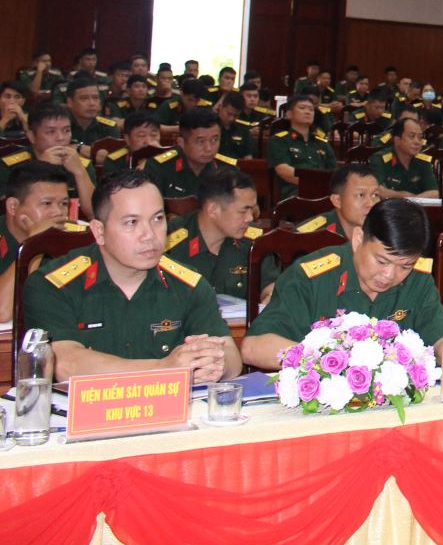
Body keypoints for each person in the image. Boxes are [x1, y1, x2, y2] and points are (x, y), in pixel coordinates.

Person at [23, 171, 241, 381]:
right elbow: (66, 364)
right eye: (132, 222)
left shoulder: (189, 283)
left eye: (157, 218)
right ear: (99, 231)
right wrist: (165, 369)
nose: (149, 235)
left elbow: (231, 357)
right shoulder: (53, 284)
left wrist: (213, 366)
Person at [242, 198, 443, 369]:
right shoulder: (312, 276)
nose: (390, 275)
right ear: (358, 239)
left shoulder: (418, 279)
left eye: (404, 265)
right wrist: (330, 360)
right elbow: (254, 347)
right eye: (381, 261)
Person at [0, 161, 81, 322]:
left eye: (63, 203)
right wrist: (34, 244)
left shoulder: (76, 240)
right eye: (46, 203)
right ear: (13, 206)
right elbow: (2, 312)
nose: (58, 213)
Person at [163, 168, 261, 297]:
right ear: (213, 209)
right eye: (243, 211)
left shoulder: (255, 243)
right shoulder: (168, 242)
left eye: (252, 210)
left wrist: (268, 296)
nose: (250, 218)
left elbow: (270, 287)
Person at [0, 104, 97, 201]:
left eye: (66, 131)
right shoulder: (10, 166)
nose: (61, 138)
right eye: (51, 132)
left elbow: (93, 209)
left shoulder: (81, 165)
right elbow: (9, 206)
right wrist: (40, 169)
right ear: (31, 136)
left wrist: (80, 173)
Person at [144, 108, 237, 200]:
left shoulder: (227, 169)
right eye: (200, 141)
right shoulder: (158, 168)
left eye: (214, 140)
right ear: (181, 142)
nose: (208, 148)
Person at [267, 94, 338, 201]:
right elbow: (283, 170)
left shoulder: (322, 143)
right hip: (294, 191)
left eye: (311, 109)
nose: (307, 112)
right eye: (302, 108)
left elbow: (334, 172)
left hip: (323, 191)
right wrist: (312, 183)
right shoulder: (279, 140)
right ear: (289, 114)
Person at [294, 162, 383, 240]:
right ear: (337, 201)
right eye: (360, 195)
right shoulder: (310, 236)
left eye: (375, 195)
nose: (371, 204)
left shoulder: (384, 229)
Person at [369, 117, 439, 198]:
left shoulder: (423, 161)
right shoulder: (380, 159)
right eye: (411, 136)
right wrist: (402, 195)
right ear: (397, 140)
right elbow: (376, 189)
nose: (417, 142)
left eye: (420, 137)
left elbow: (434, 192)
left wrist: (411, 200)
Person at [63, 75, 119, 153]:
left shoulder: (108, 127)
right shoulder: (59, 127)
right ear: (70, 102)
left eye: (95, 98)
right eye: (84, 98)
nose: (92, 103)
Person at [213, 91, 257, 159]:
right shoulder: (209, 127)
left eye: (235, 115)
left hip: (238, 165)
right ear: (221, 107)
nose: (231, 118)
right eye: (229, 114)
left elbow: (248, 157)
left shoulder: (243, 130)